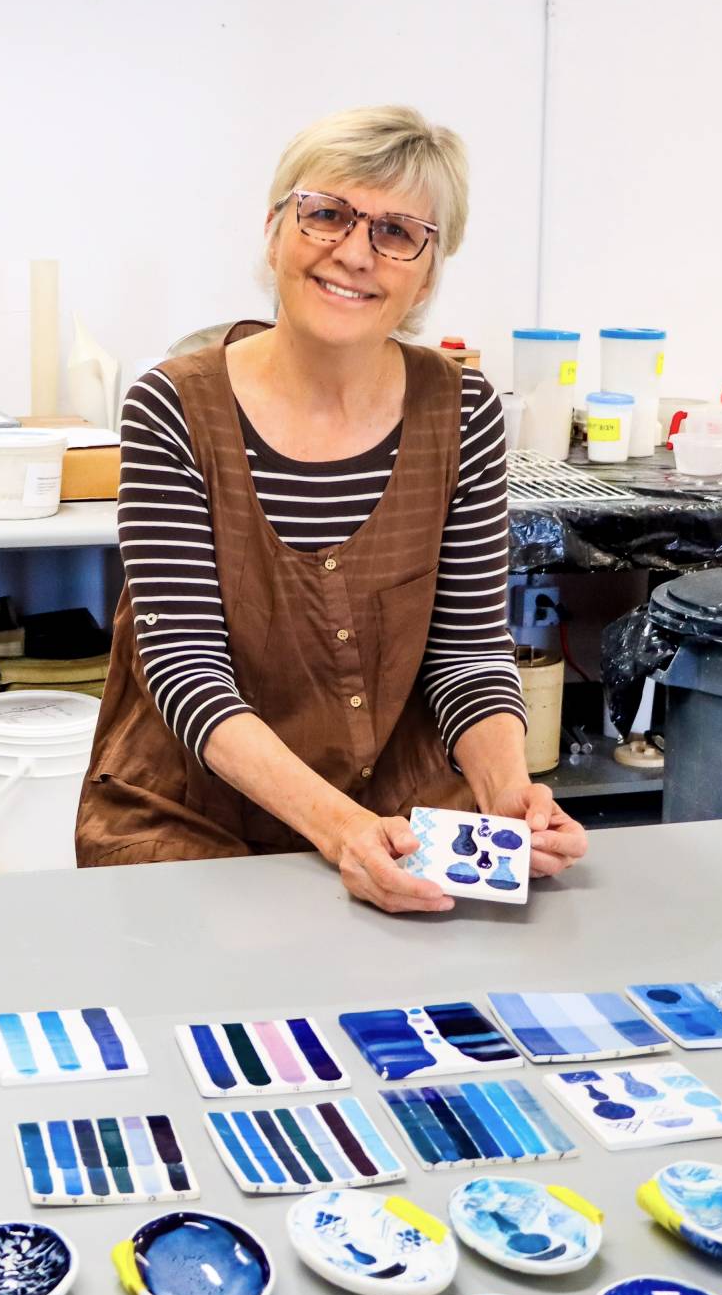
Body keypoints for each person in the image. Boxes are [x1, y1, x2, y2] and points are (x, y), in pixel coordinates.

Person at [77, 105, 588, 909]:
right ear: (277, 227)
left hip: (400, 817)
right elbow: (186, 674)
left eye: (397, 232)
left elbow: (467, 652)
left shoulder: (462, 410)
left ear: (428, 271)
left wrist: (508, 793)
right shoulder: (173, 406)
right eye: (327, 215)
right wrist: (340, 827)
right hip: (189, 824)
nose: (355, 253)